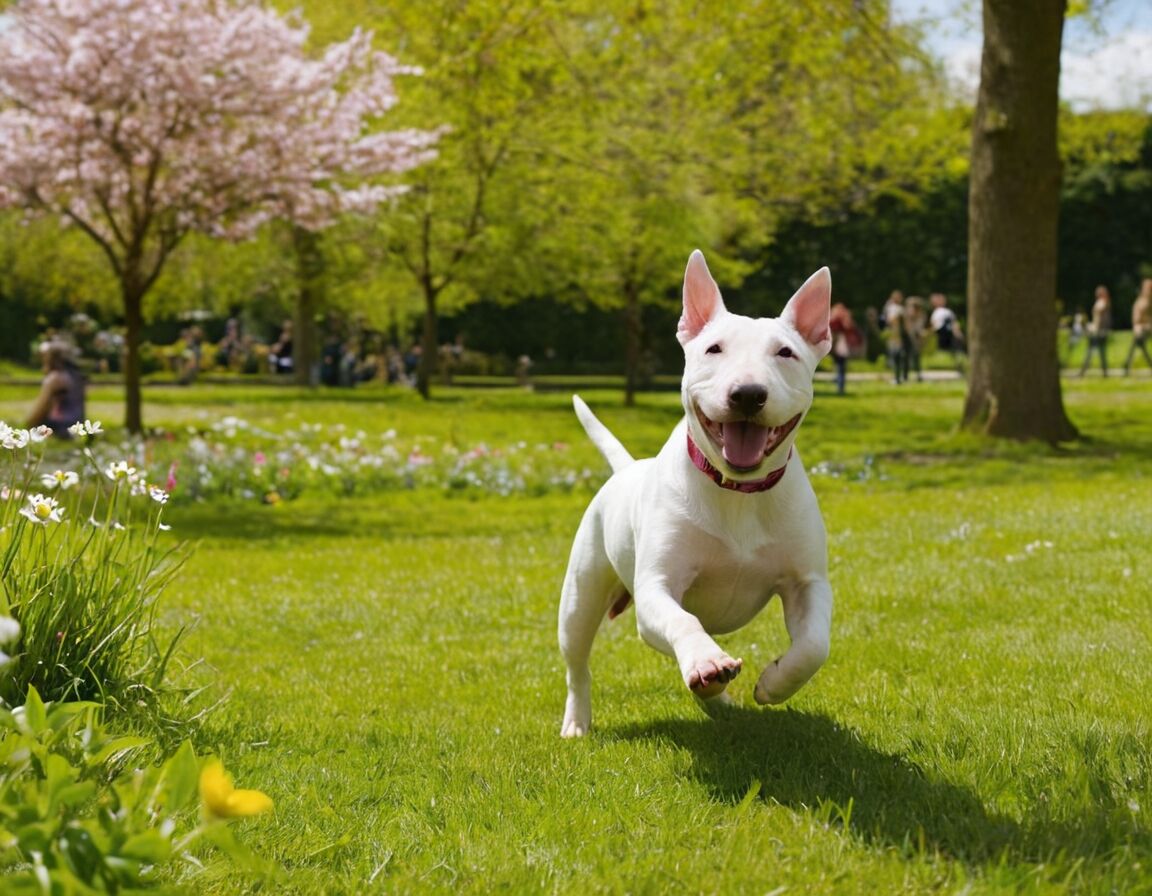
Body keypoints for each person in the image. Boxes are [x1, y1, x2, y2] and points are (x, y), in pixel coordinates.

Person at [26, 339, 87, 438]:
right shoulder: (77, 376)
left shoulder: (54, 378)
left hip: (60, 428)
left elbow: (40, 410)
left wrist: (28, 427)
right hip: (78, 426)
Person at [828, 303, 862, 395]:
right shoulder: (844, 318)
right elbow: (850, 328)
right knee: (841, 367)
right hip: (841, 344)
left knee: (840, 367)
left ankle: (840, 386)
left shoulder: (833, 318)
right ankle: (840, 387)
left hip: (838, 344)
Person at [1078, 285, 1112, 377]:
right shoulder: (1102, 302)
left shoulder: (1103, 303)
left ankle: (1084, 372)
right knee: (1097, 352)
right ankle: (1103, 373)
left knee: (1094, 352)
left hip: (1100, 332)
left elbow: (1099, 318)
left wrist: (1092, 327)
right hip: (1098, 331)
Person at [929, 292, 965, 375]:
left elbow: (954, 324)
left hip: (948, 334)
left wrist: (958, 333)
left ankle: (960, 367)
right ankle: (959, 367)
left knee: (956, 352)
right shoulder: (936, 312)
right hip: (942, 334)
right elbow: (934, 325)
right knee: (954, 351)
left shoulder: (948, 311)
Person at [1123, 278, 1152, 375]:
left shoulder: (1147, 300)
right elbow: (1137, 316)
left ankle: (1127, 364)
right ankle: (1127, 364)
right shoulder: (1142, 300)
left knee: (1138, 343)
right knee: (1138, 343)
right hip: (1142, 327)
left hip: (1145, 327)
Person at [882, 290, 907, 384]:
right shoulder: (896, 308)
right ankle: (898, 377)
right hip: (895, 335)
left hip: (896, 336)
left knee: (896, 357)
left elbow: (890, 319)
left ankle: (898, 377)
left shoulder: (896, 308)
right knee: (896, 357)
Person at [904, 295, 927, 382]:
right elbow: (907, 327)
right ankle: (905, 376)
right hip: (908, 337)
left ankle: (918, 375)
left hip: (916, 337)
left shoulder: (921, 315)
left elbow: (920, 327)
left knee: (916, 357)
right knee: (906, 356)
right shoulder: (907, 315)